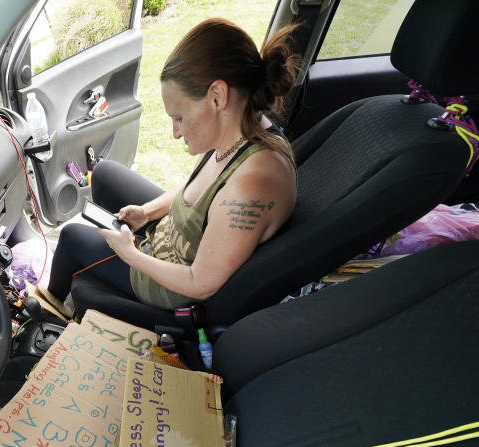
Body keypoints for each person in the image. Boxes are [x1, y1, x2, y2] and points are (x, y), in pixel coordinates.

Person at [32, 18, 299, 320]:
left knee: (70, 238)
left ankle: (51, 307)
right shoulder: (242, 130)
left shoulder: (250, 188)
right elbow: (197, 192)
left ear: (217, 96)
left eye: (180, 118)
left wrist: (130, 255)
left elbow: (201, 284)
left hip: (176, 282)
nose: (174, 132)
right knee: (104, 173)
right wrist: (146, 213)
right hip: (180, 235)